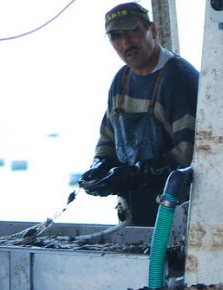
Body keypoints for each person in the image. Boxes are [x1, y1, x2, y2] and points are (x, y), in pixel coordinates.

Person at [79, 2, 199, 226]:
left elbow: (192, 154)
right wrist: (101, 164)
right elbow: (108, 137)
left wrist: (136, 174)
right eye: (115, 36)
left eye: (132, 31)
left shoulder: (179, 78)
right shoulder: (121, 80)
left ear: (153, 30)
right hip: (134, 214)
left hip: (176, 217)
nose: (125, 43)